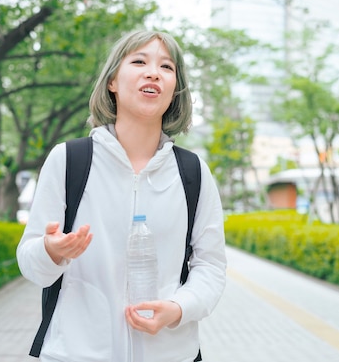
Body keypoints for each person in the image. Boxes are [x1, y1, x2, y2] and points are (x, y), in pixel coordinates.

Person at [17, 30, 227, 362]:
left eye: (167, 67)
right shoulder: (69, 160)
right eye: (139, 61)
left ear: (174, 90)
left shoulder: (193, 172)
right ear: (112, 81)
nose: (153, 72)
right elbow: (32, 264)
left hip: (170, 353)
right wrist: (52, 251)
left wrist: (176, 309)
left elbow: (211, 266)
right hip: (76, 353)